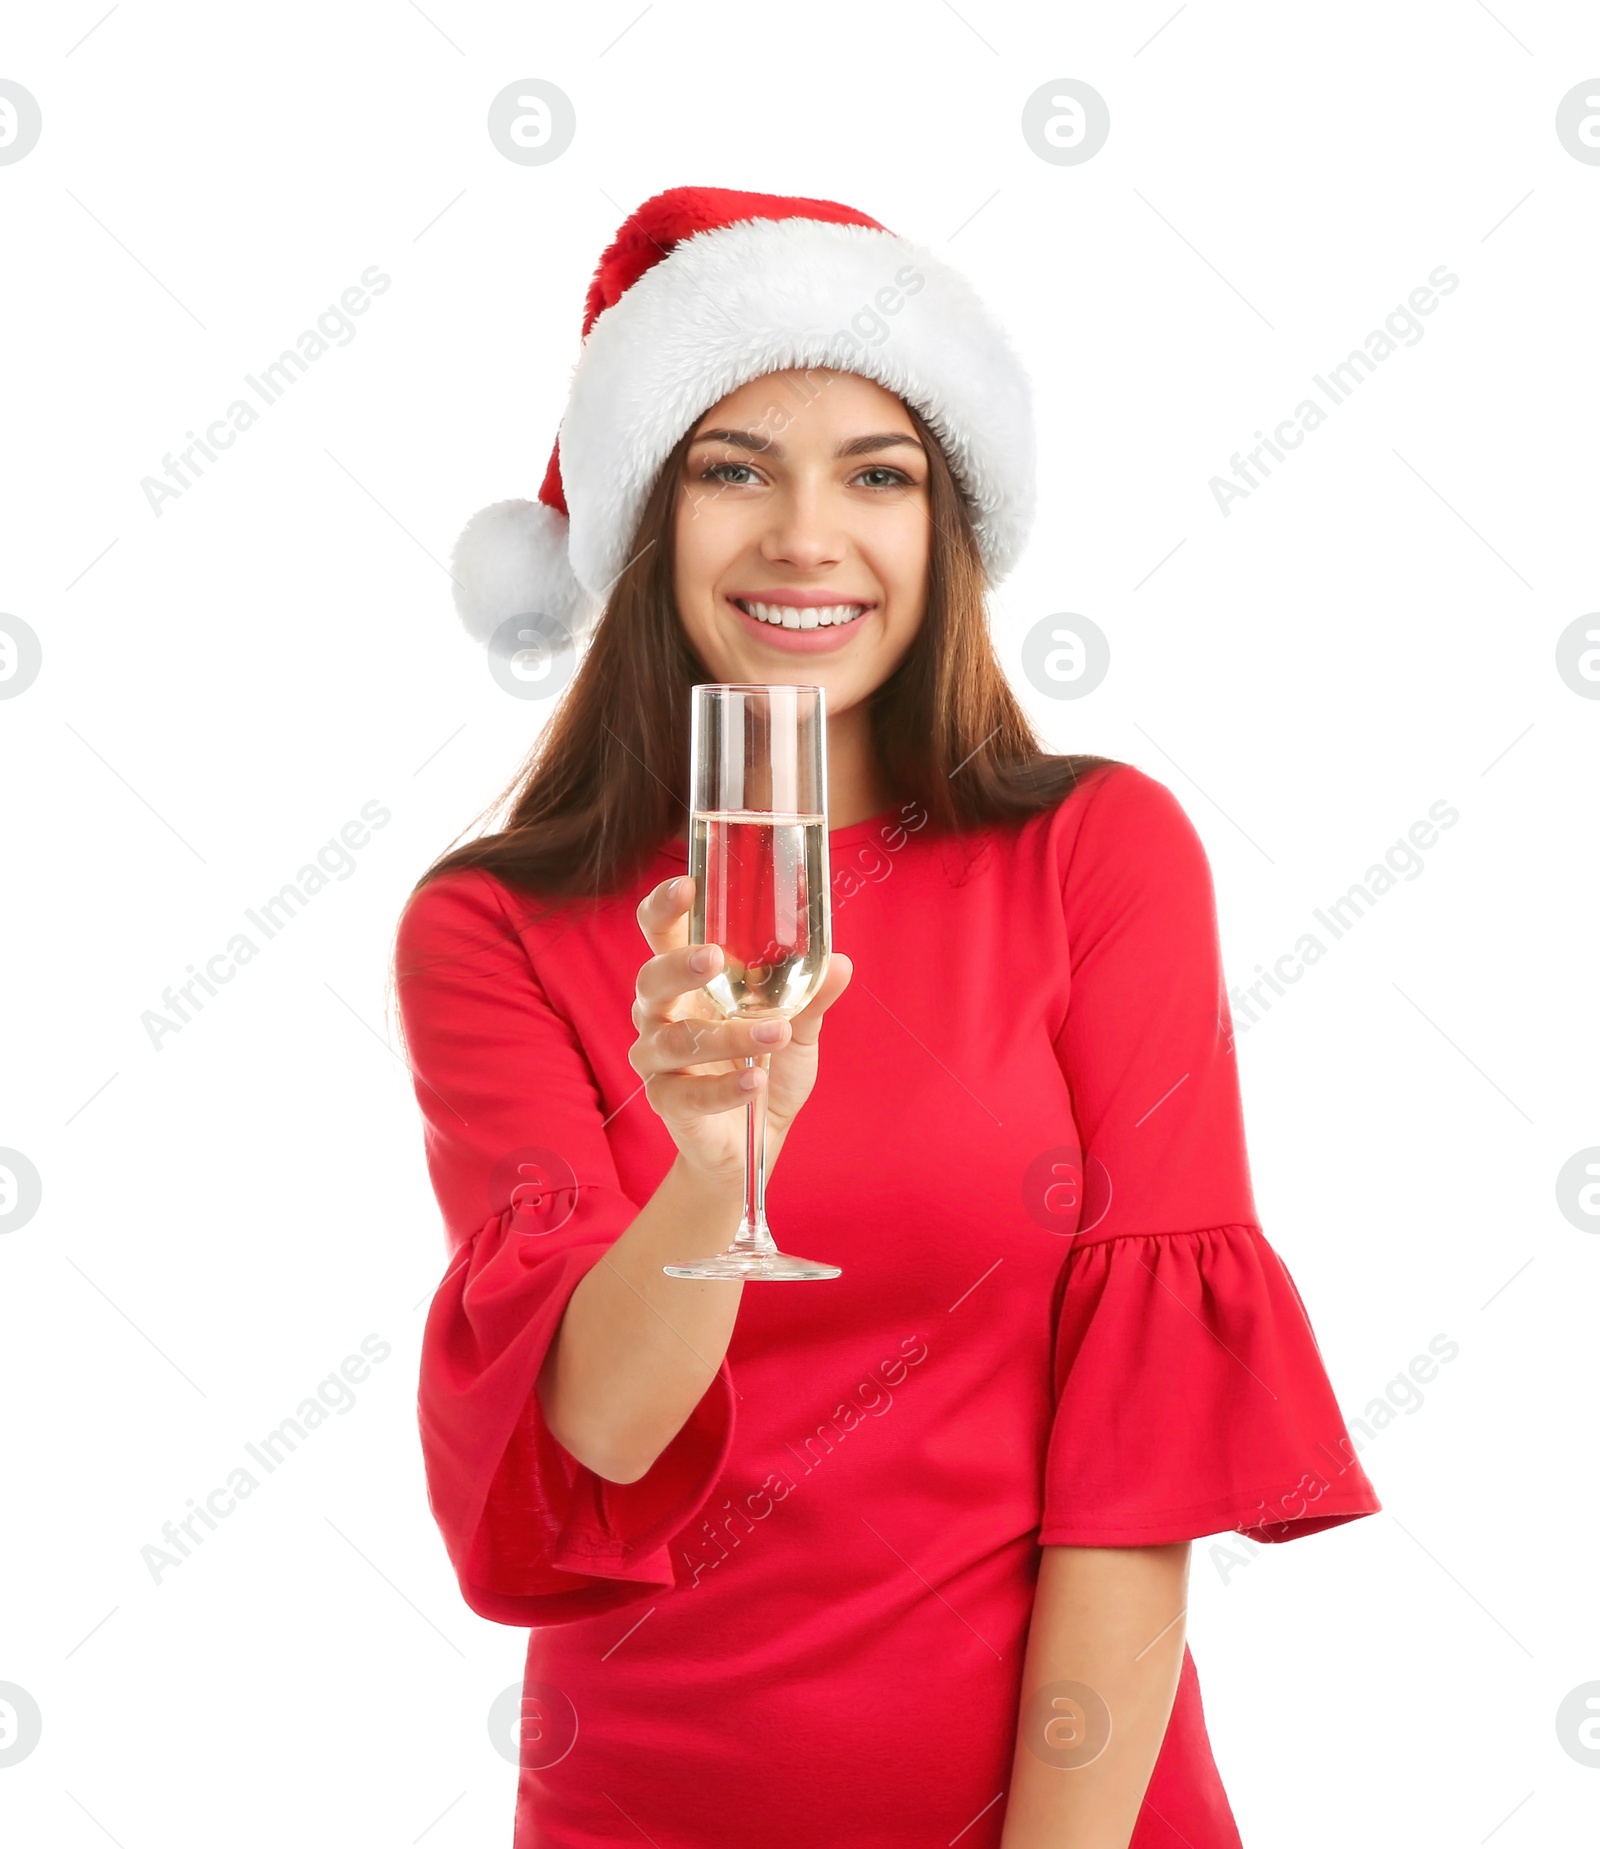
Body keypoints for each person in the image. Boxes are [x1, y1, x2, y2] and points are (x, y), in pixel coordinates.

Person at [390, 186, 1380, 1849]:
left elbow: (1134, 1465)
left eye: (877, 473)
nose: (805, 535)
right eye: (732, 469)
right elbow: (601, 1437)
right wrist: (717, 1176)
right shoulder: (491, 924)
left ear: (948, 527)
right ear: (644, 518)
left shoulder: (1098, 853)